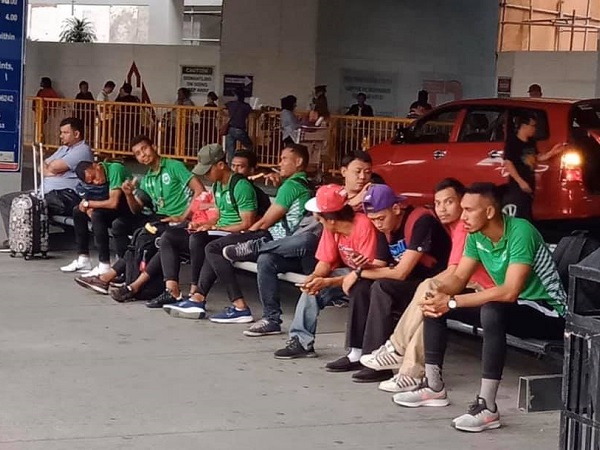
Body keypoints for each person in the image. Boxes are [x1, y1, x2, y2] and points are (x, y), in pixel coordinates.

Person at [392, 182, 566, 433]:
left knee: (491, 310)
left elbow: (509, 291)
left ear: (490, 212)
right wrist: (439, 293)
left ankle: (487, 407)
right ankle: (433, 387)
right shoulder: (475, 235)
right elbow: (459, 277)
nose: (462, 216)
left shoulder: (521, 231)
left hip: (547, 311)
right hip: (513, 307)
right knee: (436, 305)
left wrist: (453, 301)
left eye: (469, 210)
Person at [359, 179, 494, 393]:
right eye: (437, 203)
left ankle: (399, 353)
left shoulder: (463, 228)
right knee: (430, 302)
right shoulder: (455, 227)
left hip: (486, 291)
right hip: (471, 286)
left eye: (449, 202)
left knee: (430, 293)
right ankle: (407, 370)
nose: (442, 209)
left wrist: (435, 290)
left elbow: (454, 273)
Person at [226, 150, 375, 337]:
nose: (362, 177)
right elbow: (325, 244)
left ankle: (258, 246)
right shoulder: (333, 193)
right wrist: (316, 276)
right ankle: (271, 319)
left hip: (353, 264)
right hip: (319, 256)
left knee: (308, 240)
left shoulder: (373, 196)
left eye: (367, 172)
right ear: (344, 171)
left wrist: (358, 202)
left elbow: (368, 258)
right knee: (267, 260)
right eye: (357, 171)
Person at [163, 143, 312, 323]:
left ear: (299, 161)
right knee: (210, 246)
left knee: (214, 248)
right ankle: (198, 298)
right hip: (283, 241)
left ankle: (237, 306)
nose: (279, 163)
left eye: (284, 159)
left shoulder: (291, 186)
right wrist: (209, 225)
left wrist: (244, 234)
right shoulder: (301, 184)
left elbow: (265, 222)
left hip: (274, 240)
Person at [330, 184, 451, 382]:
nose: (377, 224)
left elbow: (401, 273)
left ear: (396, 209)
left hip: (433, 283)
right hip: (409, 280)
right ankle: (357, 352)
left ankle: (377, 362)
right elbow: (380, 264)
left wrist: (358, 272)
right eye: (373, 219)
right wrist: (364, 266)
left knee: (382, 287)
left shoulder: (420, 221)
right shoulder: (384, 227)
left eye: (380, 218)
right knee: (361, 286)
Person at [73, 135, 204, 295]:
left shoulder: (173, 166)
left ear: (154, 147)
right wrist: (129, 194)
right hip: (160, 217)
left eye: (144, 149)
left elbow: (200, 190)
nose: (143, 155)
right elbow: (136, 209)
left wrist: (184, 216)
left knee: (143, 236)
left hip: (181, 220)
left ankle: (110, 278)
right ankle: (121, 275)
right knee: (122, 226)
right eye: (138, 153)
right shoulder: (147, 178)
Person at [273, 184, 389, 359]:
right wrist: (314, 277)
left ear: (331, 219)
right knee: (312, 288)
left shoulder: (364, 225)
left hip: (368, 276)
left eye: (320, 219)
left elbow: (366, 270)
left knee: (350, 284)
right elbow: (325, 261)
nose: (319, 222)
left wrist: (327, 282)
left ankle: (358, 351)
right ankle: (301, 342)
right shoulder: (331, 229)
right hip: (347, 274)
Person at [135, 143, 257, 307]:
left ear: (221, 165)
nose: (205, 175)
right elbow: (219, 215)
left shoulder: (241, 186)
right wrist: (202, 223)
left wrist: (216, 228)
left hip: (235, 235)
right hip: (219, 231)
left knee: (198, 239)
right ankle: (172, 291)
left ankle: (195, 292)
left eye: (208, 171)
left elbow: (247, 223)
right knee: (169, 236)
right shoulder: (217, 185)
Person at [0, 117, 93, 246]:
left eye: (65, 133)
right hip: (45, 192)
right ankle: (16, 240)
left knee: (29, 204)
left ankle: (29, 242)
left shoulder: (82, 150)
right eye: (61, 132)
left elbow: (53, 166)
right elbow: (41, 167)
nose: (61, 136)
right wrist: (50, 170)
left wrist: (50, 169)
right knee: (6, 200)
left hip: (64, 196)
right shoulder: (63, 149)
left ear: (76, 134)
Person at [60, 160, 133, 275]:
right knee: (78, 211)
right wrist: (87, 206)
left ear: (96, 166)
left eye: (94, 177)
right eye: (91, 182)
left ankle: (104, 264)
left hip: (130, 209)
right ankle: (83, 258)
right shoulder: (97, 177)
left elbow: (113, 203)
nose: (96, 182)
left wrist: (88, 204)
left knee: (97, 215)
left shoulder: (115, 169)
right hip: (113, 209)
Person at [502, 112, 565, 221]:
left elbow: (537, 157)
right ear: (524, 126)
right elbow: (508, 163)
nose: (534, 129)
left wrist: (552, 152)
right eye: (533, 126)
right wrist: (520, 182)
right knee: (519, 208)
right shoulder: (513, 142)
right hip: (518, 182)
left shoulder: (531, 141)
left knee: (527, 208)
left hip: (530, 179)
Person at [224, 87, 253, 162]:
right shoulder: (246, 106)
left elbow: (223, 108)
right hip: (240, 129)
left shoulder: (230, 104)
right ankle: (249, 161)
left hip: (230, 129)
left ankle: (231, 166)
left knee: (230, 150)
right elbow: (252, 113)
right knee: (249, 146)